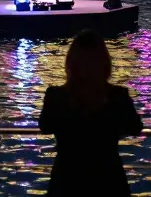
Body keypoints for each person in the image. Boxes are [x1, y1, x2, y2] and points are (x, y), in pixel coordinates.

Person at [38, 30, 143, 196]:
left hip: (67, 178)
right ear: (104, 63)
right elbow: (135, 127)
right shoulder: (117, 95)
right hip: (108, 178)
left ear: (71, 63)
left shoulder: (55, 95)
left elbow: (45, 126)